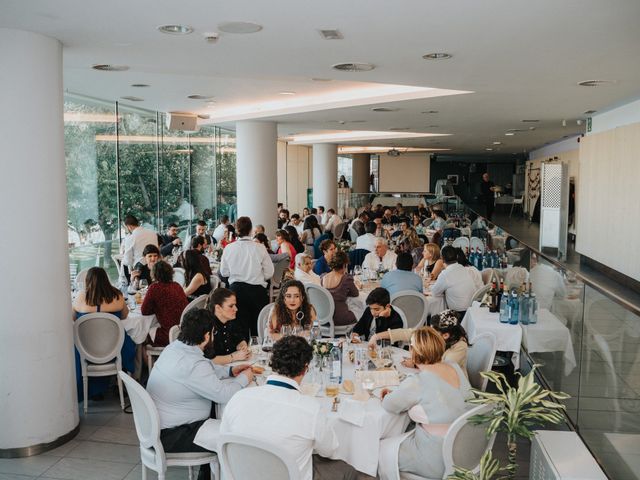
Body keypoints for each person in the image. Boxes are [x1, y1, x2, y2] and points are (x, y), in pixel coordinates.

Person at [220, 335, 359, 480]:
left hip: (241, 474)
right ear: (305, 369)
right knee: (347, 471)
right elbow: (330, 450)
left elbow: (225, 442)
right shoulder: (310, 409)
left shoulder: (238, 398)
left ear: (272, 363)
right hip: (288, 476)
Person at [147, 308, 253, 480]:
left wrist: (230, 371)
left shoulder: (175, 348)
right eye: (212, 332)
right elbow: (223, 394)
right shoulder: (192, 364)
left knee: (222, 418)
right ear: (206, 336)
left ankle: (207, 475)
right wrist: (244, 379)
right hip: (174, 434)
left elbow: (205, 369)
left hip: (160, 425)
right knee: (235, 439)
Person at [379, 327, 472, 480]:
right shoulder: (454, 367)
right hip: (464, 448)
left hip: (437, 459)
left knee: (381, 448)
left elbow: (389, 405)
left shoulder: (417, 382)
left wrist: (388, 395)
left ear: (413, 351)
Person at [72, 267, 135, 399]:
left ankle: (92, 390)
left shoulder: (81, 297)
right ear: (106, 279)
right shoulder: (117, 295)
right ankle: (122, 383)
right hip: (114, 349)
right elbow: (124, 316)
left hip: (87, 349)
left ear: (88, 281)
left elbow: (72, 318)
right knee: (132, 341)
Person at [219, 216, 274, 338]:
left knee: (239, 329)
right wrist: (257, 276)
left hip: (236, 291)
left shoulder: (229, 248)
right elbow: (269, 272)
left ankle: (242, 354)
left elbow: (224, 272)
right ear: (250, 230)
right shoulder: (259, 247)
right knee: (258, 329)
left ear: (237, 230)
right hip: (257, 291)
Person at [141, 260, 189, 347]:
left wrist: (155, 307)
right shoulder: (177, 285)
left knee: (142, 335)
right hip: (184, 331)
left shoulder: (154, 288)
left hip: (169, 334)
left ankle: (149, 359)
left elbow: (144, 311)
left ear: (154, 274)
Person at [204, 288, 250, 365]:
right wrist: (234, 357)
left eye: (235, 305)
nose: (236, 309)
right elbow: (207, 360)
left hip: (230, 367)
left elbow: (240, 338)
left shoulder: (231, 321)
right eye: (231, 306)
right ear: (218, 308)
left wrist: (242, 346)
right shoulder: (206, 327)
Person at [430, 246, 476, 317]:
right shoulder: (464, 269)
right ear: (457, 256)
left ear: (442, 259)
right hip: (471, 310)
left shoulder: (445, 274)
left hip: (457, 314)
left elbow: (434, 292)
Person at [320, 250, 359, 328]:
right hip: (341, 318)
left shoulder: (323, 277)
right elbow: (355, 293)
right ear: (345, 265)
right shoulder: (346, 279)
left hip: (325, 318)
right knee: (360, 310)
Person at [121, 214, 158, 279]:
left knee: (124, 264)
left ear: (128, 226)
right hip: (156, 266)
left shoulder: (131, 237)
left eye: (125, 228)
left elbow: (127, 261)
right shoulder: (152, 233)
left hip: (140, 271)